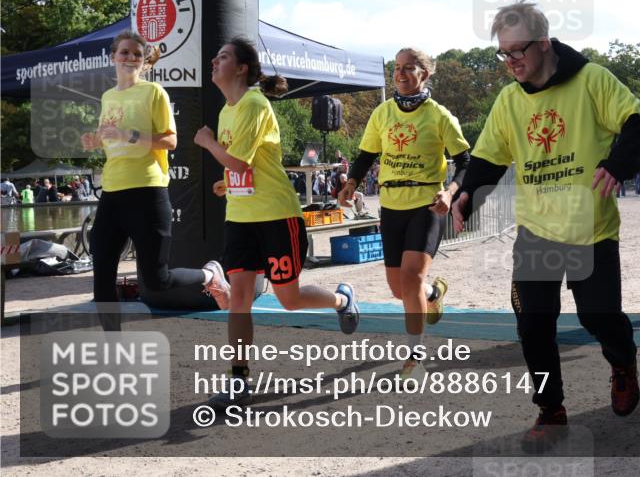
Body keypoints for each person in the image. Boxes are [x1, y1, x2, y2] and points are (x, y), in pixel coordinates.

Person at [451, 0, 640, 451]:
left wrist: (618, 164)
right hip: (536, 230)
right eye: (503, 54)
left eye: (517, 51)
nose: (510, 62)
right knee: (533, 325)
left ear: (543, 43)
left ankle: (622, 362)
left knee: (598, 317)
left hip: (590, 227)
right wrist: (465, 193)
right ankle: (551, 410)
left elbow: (636, 122)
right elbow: (486, 158)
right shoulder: (508, 101)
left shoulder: (592, 80)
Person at [195, 37, 360, 408]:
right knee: (239, 299)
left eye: (221, 57)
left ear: (240, 68)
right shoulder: (225, 111)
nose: (213, 61)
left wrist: (208, 143)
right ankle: (238, 380)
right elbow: (238, 168)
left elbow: (239, 161)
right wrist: (227, 184)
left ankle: (340, 299)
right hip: (239, 217)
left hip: (276, 216)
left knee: (289, 299)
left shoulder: (255, 103)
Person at [80, 31, 230, 331]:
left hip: (147, 191)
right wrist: (94, 141)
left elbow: (171, 141)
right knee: (102, 276)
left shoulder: (153, 92)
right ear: (113, 56)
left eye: (137, 53)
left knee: (156, 280)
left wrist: (127, 135)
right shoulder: (108, 97)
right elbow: (109, 139)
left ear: (144, 60)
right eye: (124, 52)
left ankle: (209, 276)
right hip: (112, 192)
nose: (130, 58)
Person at [340, 47, 470, 382]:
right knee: (400, 290)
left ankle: (414, 357)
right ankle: (433, 294)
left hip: (427, 204)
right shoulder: (382, 113)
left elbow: (467, 163)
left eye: (408, 68)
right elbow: (366, 154)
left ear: (424, 74)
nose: (399, 74)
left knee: (411, 278)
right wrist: (352, 182)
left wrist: (450, 193)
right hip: (392, 205)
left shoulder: (440, 116)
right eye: (396, 68)